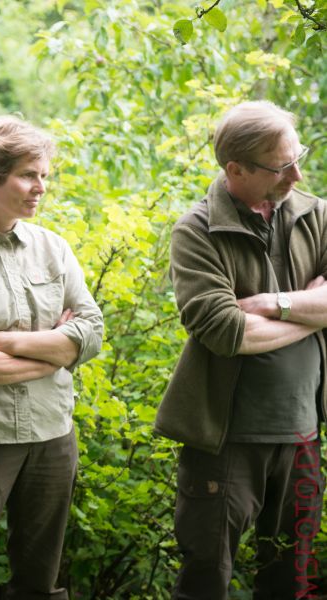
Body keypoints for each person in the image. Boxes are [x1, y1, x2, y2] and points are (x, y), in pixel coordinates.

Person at [154, 100, 326, 598]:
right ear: (236, 169)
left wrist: (274, 305)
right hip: (224, 440)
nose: (297, 172)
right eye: (280, 166)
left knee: (290, 579)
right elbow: (226, 331)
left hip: (302, 434)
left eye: (298, 156)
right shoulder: (196, 230)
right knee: (207, 579)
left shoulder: (317, 215)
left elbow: (251, 322)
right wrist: (311, 311)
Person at [0, 115, 103, 600]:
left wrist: (4, 340)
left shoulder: (53, 248)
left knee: (40, 578)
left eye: (44, 177)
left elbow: (91, 333)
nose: (40, 188)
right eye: (29, 175)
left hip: (54, 433)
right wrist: (56, 351)